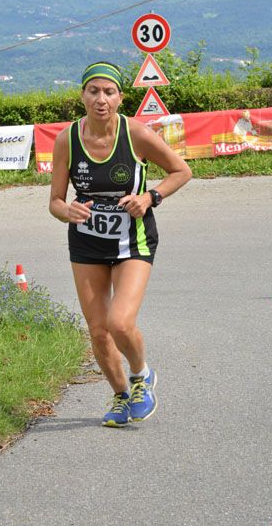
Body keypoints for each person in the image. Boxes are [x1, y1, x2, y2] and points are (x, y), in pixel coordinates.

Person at [49, 61, 192, 427]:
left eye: (109, 92)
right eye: (94, 91)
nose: (101, 99)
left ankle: (142, 375)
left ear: (120, 98)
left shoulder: (137, 134)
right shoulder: (67, 140)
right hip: (86, 242)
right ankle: (120, 396)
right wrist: (67, 211)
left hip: (134, 239)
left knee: (119, 323)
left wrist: (150, 198)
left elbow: (181, 171)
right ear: (82, 95)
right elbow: (55, 202)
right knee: (98, 331)